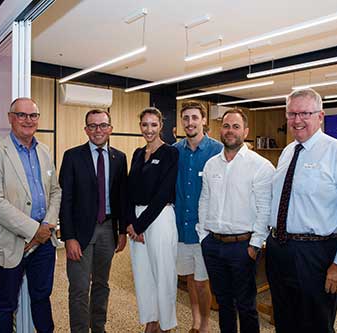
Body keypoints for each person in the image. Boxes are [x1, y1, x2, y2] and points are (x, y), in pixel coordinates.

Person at [266, 88, 337, 333]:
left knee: (316, 324)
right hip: (279, 251)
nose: (297, 120)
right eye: (291, 114)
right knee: (284, 320)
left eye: (305, 113)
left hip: (316, 254)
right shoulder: (288, 152)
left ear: (320, 116)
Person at [0, 97, 61, 333]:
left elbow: (55, 191)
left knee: (42, 297)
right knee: (5, 303)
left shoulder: (44, 150)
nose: (28, 120)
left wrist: (47, 225)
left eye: (33, 115)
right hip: (11, 241)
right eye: (21, 115)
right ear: (10, 118)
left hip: (44, 243)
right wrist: (35, 230)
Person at [197, 108, 274, 333]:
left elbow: (265, 210)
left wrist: (255, 245)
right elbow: (204, 200)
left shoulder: (260, 166)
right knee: (223, 303)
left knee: (246, 305)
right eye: (227, 126)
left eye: (236, 126)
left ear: (246, 131)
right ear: (221, 130)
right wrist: (203, 236)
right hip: (213, 244)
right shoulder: (212, 164)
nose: (230, 131)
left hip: (243, 247)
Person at [59, 109, 128, 333]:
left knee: (102, 285)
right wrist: (68, 237)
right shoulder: (72, 156)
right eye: (92, 126)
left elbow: (121, 196)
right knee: (79, 288)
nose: (98, 130)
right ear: (86, 129)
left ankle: (98, 328)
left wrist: (122, 231)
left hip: (108, 229)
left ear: (110, 128)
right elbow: (65, 200)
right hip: (80, 233)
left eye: (102, 125)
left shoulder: (119, 158)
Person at [126, 107, 179, 333]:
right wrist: (130, 223)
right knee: (143, 273)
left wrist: (139, 226)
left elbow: (163, 193)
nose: (149, 129)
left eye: (154, 125)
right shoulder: (138, 154)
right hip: (136, 220)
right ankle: (151, 321)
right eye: (145, 125)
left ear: (161, 126)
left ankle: (166, 324)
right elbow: (128, 189)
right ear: (140, 126)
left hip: (160, 217)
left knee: (163, 273)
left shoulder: (170, 153)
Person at [174, 101, 222, 333]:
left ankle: (204, 325)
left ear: (204, 120)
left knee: (203, 281)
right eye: (186, 118)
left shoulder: (218, 150)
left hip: (205, 230)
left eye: (194, 118)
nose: (190, 122)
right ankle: (195, 320)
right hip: (181, 227)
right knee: (190, 279)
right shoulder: (174, 151)